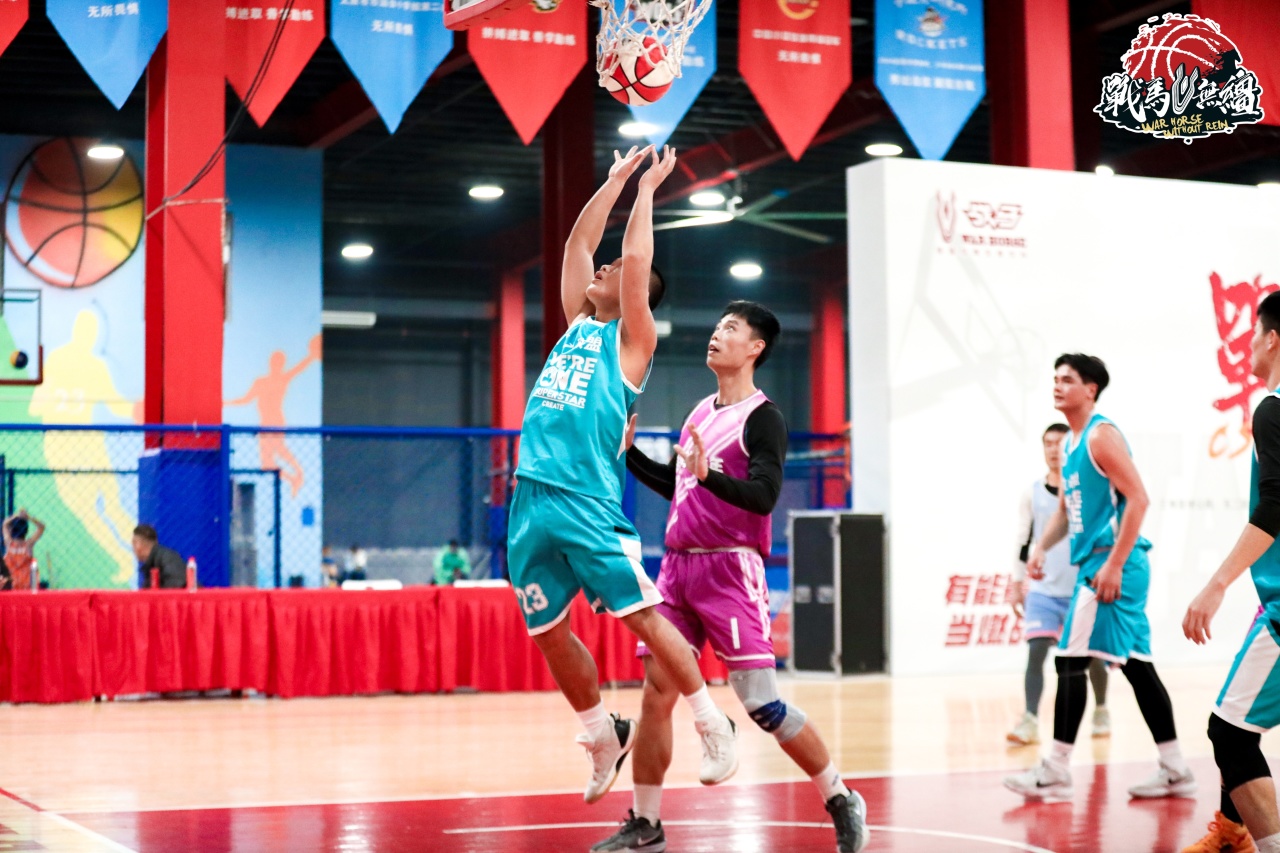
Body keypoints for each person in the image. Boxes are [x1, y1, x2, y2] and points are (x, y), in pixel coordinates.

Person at [506, 144, 737, 806]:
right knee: (547, 631)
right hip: (531, 497)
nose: (601, 268)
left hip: (585, 500)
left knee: (643, 618)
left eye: (613, 271)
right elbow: (579, 244)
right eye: (600, 269)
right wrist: (612, 180)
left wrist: (647, 191)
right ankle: (601, 731)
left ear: (637, 298)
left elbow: (634, 261)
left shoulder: (632, 340)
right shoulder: (576, 323)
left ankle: (711, 722)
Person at [592, 302, 868, 853]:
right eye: (717, 326)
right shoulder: (699, 411)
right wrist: (629, 457)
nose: (717, 334)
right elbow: (682, 485)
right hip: (678, 569)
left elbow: (763, 496)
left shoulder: (764, 418)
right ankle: (646, 821)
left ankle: (840, 796)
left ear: (755, 348)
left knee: (762, 704)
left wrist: (708, 475)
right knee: (656, 693)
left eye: (731, 329)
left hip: (730, 569)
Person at [1004, 353, 1194, 803]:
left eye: (1067, 379)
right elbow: (1067, 511)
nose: (1057, 385)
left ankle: (1055, 770)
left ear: (1090, 390)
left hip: (1113, 566)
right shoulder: (1071, 444)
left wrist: (1114, 565)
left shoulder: (1100, 435)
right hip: (1103, 565)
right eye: (1054, 378)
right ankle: (1175, 767)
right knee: (1137, 666)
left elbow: (1139, 499)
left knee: (1070, 660)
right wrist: (1041, 547)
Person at [1180, 290, 1280, 853]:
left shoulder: (1272, 408)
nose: (1250, 345)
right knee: (1236, 713)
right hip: (1272, 604)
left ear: (1273, 338)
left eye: (1255, 334)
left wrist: (1215, 584)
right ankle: (1232, 830)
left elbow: (1274, 506)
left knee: (1230, 731)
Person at [1006, 423, 1110, 746]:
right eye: (1048, 443)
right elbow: (1023, 540)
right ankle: (1030, 719)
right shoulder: (1032, 493)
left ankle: (1101, 709)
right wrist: (1017, 583)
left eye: (1059, 443)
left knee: (1092, 657)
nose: (1053, 449)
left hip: (1082, 588)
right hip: (1044, 591)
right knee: (1036, 651)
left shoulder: (1085, 492)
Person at [131, 524, 187, 589]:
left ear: (138, 546)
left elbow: (178, 585)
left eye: (133, 543)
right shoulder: (152, 564)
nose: (133, 549)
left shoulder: (167, 558)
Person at [2, 509, 44, 591]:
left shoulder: (9, 544)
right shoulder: (28, 545)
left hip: (11, 586)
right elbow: (41, 527)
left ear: (11, 530)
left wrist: (16, 515)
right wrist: (29, 517)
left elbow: (5, 524)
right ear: (26, 531)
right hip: (26, 586)